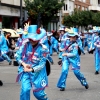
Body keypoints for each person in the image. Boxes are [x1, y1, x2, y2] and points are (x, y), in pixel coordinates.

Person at [15, 25, 49, 100]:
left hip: (38, 74)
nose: (31, 40)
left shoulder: (44, 49)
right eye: (30, 38)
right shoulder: (25, 45)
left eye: (33, 38)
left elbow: (42, 65)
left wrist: (31, 69)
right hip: (26, 72)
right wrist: (24, 64)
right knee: (25, 90)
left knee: (38, 94)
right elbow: (17, 56)